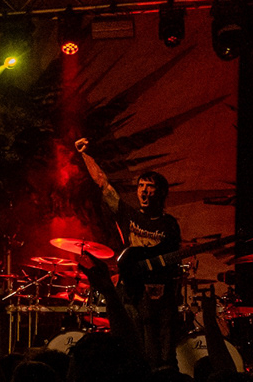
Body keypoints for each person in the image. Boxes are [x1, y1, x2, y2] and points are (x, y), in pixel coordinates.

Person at [74, 137, 183, 369]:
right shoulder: (129, 215)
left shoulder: (169, 225)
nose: (144, 191)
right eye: (141, 186)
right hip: (131, 293)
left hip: (159, 296)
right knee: (131, 347)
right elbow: (103, 183)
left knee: (164, 354)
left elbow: (173, 261)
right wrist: (85, 155)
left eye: (150, 187)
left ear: (161, 193)